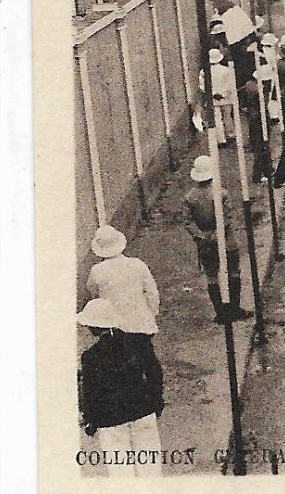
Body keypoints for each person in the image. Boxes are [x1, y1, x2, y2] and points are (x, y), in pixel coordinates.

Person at [77, 298, 164, 477]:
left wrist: (90, 421)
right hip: (143, 411)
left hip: (111, 421)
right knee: (151, 471)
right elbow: (155, 372)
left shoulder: (91, 357)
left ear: (93, 327)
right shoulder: (139, 342)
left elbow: (91, 394)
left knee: (121, 475)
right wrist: (156, 401)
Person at [183, 155, 248, 323]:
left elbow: (188, 222)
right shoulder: (221, 192)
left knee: (212, 275)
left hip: (205, 243)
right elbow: (226, 218)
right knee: (233, 272)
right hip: (226, 240)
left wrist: (202, 235)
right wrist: (216, 234)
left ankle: (220, 313)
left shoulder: (190, 197)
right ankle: (235, 308)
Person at [85, 225, 159, 347]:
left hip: (114, 326)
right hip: (141, 323)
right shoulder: (137, 264)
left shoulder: (96, 271)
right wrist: (151, 314)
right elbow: (152, 293)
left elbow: (95, 296)